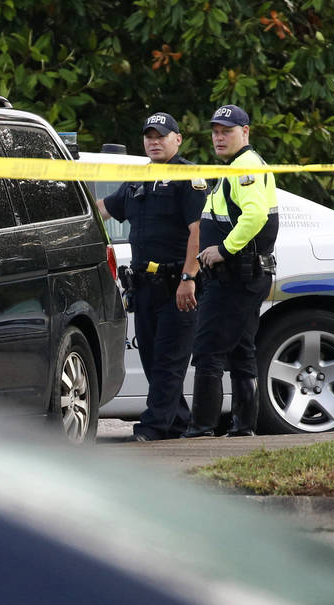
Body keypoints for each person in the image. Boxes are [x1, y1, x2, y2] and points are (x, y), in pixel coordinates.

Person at [97, 112, 207, 441]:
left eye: (161, 135)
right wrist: (69, 208)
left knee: (168, 361)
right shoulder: (137, 180)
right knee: (150, 357)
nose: (154, 141)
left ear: (178, 139)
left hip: (177, 282)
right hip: (144, 285)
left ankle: (154, 425)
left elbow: (198, 231)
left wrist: (189, 277)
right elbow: (104, 208)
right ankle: (177, 421)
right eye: (149, 136)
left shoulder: (189, 178)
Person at [183, 104, 279, 438]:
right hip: (243, 275)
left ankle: (201, 428)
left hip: (236, 275)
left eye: (227, 131)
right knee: (241, 351)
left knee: (208, 349)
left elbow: (255, 216)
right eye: (216, 131)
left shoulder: (245, 167)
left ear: (245, 132)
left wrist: (224, 250)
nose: (219, 137)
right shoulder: (239, 166)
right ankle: (242, 428)